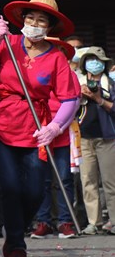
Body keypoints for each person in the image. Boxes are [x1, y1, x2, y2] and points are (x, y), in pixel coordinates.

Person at [0, 0, 80, 257]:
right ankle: (16, 245)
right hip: (2, 126)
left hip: (35, 130)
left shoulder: (55, 58)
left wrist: (55, 127)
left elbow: (71, 98)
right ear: (22, 21)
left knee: (33, 192)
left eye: (41, 20)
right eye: (30, 18)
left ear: (49, 27)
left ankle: (14, 226)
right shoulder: (8, 43)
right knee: (10, 187)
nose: (34, 24)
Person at [31, 37, 81, 239]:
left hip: (60, 133)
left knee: (64, 179)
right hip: (38, 132)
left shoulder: (70, 75)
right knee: (40, 179)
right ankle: (43, 221)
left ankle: (65, 221)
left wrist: (57, 127)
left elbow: (74, 103)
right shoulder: (35, 72)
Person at [76, 47, 115, 235]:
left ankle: (114, 221)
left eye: (98, 60)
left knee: (111, 181)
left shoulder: (111, 83)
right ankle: (94, 222)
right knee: (88, 181)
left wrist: (99, 99)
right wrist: (78, 96)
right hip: (84, 137)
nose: (95, 63)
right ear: (84, 64)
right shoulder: (78, 83)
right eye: (91, 59)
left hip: (107, 137)